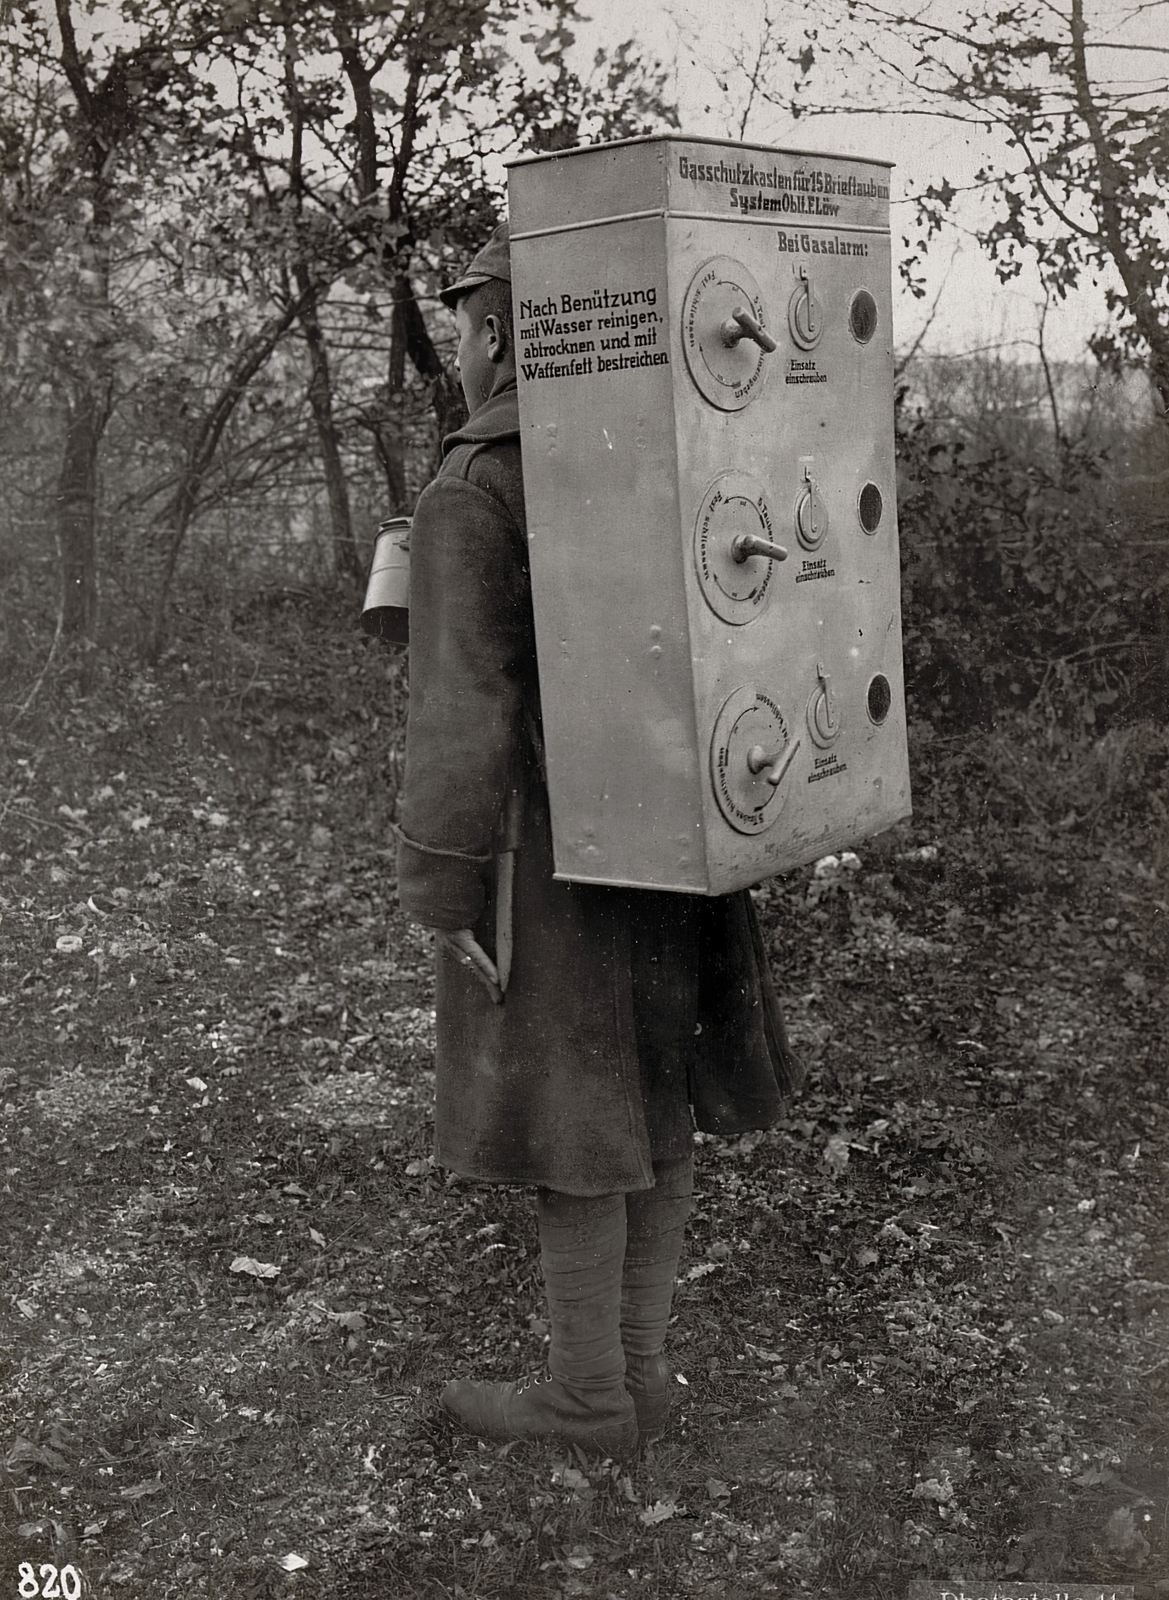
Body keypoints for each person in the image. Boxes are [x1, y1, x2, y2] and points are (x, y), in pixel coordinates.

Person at [395, 220, 803, 1460]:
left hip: (548, 860)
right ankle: (638, 1371)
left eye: (464, 327)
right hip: (673, 834)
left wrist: (442, 883)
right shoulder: (658, 451)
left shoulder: (472, 487)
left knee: (574, 1119)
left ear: (502, 329)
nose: (460, 354)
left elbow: (465, 705)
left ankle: (585, 1401)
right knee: (653, 1094)